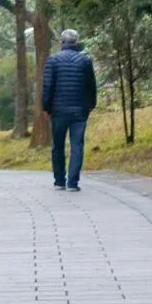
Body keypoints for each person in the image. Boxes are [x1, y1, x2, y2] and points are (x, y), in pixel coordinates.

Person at [41, 28, 96, 191]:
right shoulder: (85, 61)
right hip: (79, 110)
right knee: (77, 146)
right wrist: (91, 105)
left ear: (61, 42)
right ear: (76, 42)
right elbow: (91, 86)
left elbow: (47, 86)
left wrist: (46, 107)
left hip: (58, 110)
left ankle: (59, 181)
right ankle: (73, 183)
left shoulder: (53, 60)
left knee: (57, 145)